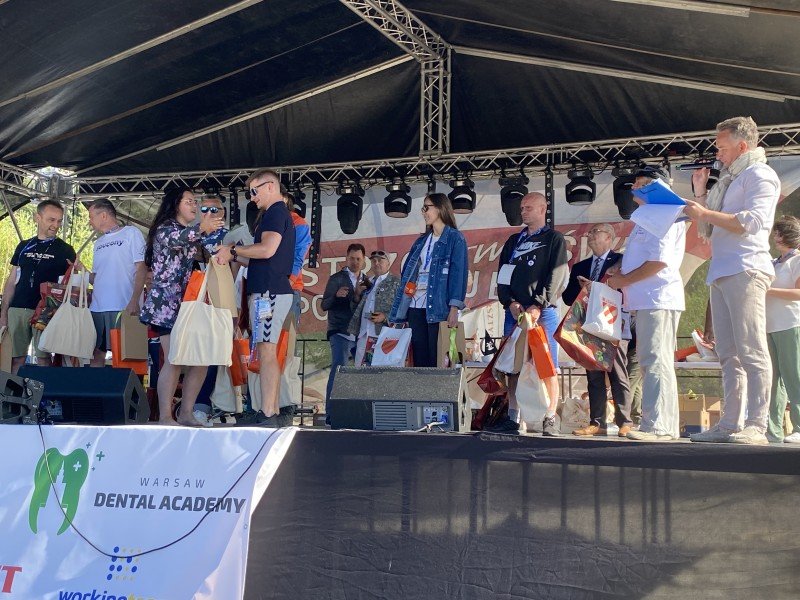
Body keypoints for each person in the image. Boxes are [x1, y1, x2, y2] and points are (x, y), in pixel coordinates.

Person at [683, 116, 780, 445]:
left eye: (722, 147)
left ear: (742, 146)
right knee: (727, 353)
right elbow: (707, 229)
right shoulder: (728, 180)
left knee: (752, 349)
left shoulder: (760, 174)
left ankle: (757, 424)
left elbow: (752, 222)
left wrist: (705, 212)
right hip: (722, 270)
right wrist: (701, 194)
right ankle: (729, 423)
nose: (717, 153)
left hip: (747, 268)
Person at [607, 166, 686, 441]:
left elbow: (659, 262)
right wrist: (621, 270)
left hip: (658, 297)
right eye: (635, 183)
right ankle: (662, 425)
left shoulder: (665, 215)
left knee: (655, 360)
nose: (634, 188)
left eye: (641, 183)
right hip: (645, 300)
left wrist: (623, 280)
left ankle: (658, 426)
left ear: (657, 187)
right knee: (651, 361)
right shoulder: (648, 217)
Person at [216, 169, 296, 428]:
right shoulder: (274, 214)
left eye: (254, 191)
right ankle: (269, 409)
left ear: (270, 186)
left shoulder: (275, 213)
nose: (252, 197)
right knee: (265, 350)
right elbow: (259, 257)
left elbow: (267, 249)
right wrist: (232, 255)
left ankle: (269, 411)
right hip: (266, 290)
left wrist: (232, 249)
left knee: (267, 351)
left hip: (270, 292)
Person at [140, 187, 224, 426]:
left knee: (201, 359)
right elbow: (179, 239)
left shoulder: (191, 232)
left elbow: (210, 251)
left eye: (195, 202)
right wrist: (202, 227)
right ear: (175, 204)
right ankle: (165, 416)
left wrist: (216, 236)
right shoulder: (165, 229)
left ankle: (186, 412)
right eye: (189, 201)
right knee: (175, 358)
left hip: (189, 302)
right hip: (165, 304)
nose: (194, 206)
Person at [492, 192, 568, 436]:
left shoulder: (554, 239)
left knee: (547, 365)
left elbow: (556, 275)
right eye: (522, 208)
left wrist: (538, 304)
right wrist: (509, 302)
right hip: (515, 313)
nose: (523, 211)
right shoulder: (514, 241)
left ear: (543, 209)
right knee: (514, 366)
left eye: (528, 207)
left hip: (543, 313)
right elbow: (503, 275)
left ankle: (550, 417)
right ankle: (513, 417)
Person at [562, 223, 633, 437]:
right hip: (589, 326)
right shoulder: (580, 267)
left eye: (596, 232)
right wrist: (582, 289)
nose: (591, 235)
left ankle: (625, 421)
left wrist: (598, 287)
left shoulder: (621, 262)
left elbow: (626, 289)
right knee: (593, 375)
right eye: (590, 232)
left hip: (613, 323)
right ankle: (597, 422)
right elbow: (567, 298)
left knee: (618, 373)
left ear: (609, 238)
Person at [389, 193, 468, 367]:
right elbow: (409, 275)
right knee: (419, 358)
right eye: (423, 208)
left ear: (440, 208)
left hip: (438, 306)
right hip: (415, 305)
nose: (423, 212)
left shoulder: (455, 238)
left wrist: (454, 307)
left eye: (426, 208)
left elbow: (458, 274)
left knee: (437, 357)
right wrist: (400, 308)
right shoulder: (421, 241)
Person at [0, 200, 76, 373]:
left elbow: (71, 284)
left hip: (46, 310)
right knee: (14, 359)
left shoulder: (65, 249)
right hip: (18, 307)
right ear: (37, 218)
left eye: (59, 221)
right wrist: (4, 312)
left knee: (44, 358)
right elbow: (12, 280)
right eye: (51, 220)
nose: (55, 225)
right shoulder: (23, 246)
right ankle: (14, 391)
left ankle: (44, 391)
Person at [86, 199, 147, 367]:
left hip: (123, 305)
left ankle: (125, 385)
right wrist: (81, 270)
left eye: (91, 216)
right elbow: (96, 279)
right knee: (95, 353)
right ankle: (95, 385)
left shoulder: (131, 233)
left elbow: (141, 267)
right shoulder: (98, 243)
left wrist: (135, 299)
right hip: (97, 307)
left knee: (125, 354)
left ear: (104, 215)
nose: (89, 221)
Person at [764, 216, 800, 443]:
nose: (776, 237)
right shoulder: (773, 262)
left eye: (781, 233)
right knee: (772, 378)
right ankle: (772, 429)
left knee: (794, 376)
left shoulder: (797, 260)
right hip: (769, 325)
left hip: (790, 323)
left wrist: (768, 291)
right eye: (776, 232)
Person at [321, 243, 366, 419]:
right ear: (346, 259)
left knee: (362, 373)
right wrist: (336, 296)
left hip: (361, 334)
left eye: (358, 259)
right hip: (340, 331)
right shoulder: (337, 279)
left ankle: (357, 413)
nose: (355, 262)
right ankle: (332, 414)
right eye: (352, 258)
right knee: (339, 370)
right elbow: (324, 305)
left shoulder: (367, 281)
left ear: (364, 260)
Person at [347, 250, 401, 366]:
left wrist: (385, 317)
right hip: (364, 332)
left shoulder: (396, 282)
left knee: (381, 370)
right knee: (360, 369)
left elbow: (402, 308)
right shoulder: (367, 282)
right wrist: (357, 294)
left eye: (380, 260)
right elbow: (354, 308)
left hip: (383, 334)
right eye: (374, 261)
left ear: (388, 263)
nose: (376, 263)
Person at [287, 193, 311, 324]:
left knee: (286, 333)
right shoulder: (265, 221)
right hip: (266, 288)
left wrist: (289, 282)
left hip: (289, 288)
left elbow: (298, 257)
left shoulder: (298, 223)